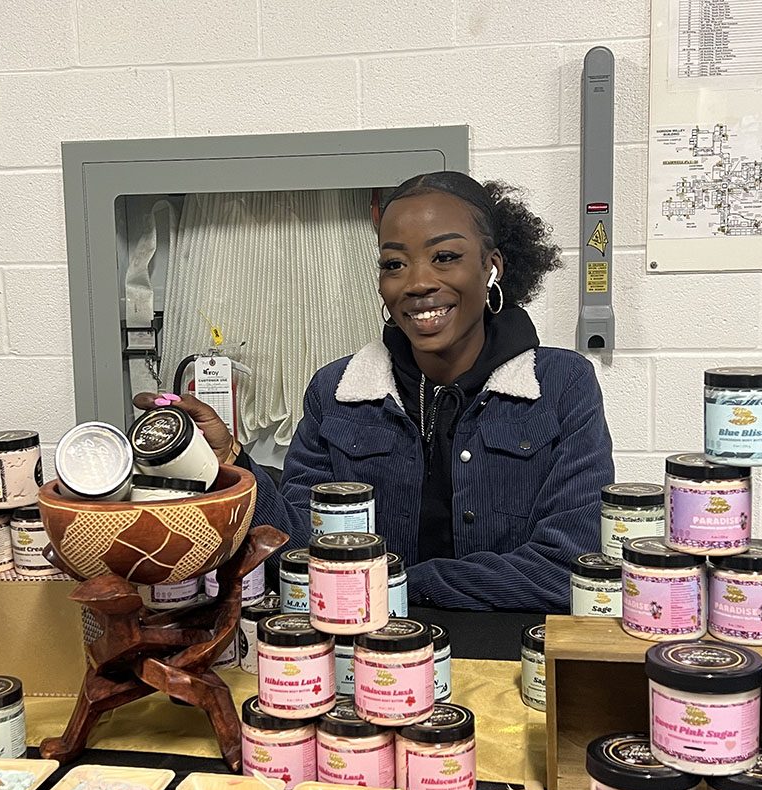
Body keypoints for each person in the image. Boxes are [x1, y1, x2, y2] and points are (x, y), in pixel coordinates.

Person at [138, 171, 614, 612]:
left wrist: (399, 585)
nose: (418, 282)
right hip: (360, 663)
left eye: (445, 257)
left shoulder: (561, 386)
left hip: (505, 667)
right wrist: (229, 463)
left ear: (492, 268)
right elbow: (299, 553)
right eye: (394, 263)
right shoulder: (336, 392)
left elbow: (567, 569)